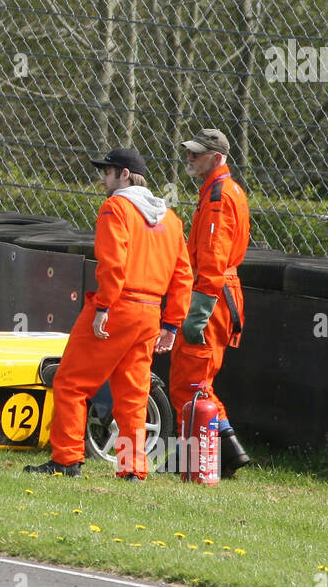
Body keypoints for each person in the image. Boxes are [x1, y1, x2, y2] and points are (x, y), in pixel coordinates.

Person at [26, 148, 192, 480]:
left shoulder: (116, 208)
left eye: (108, 172)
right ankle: (133, 468)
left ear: (125, 175)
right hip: (150, 315)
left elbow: (113, 263)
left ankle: (66, 460)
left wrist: (103, 307)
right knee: (133, 395)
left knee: (71, 382)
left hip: (117, 306)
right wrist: (171, 323)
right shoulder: (171, 220)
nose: (102, 179)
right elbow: (183, 275)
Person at [169, 128, 252, 475]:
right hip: (218, 291)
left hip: (213, 295)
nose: (189, 158)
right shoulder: (220, 190)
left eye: (196, 154)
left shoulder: (219, 195)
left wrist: (198, 312)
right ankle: (228, 453)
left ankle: (195, 459)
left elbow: (213, 259)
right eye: (189, 152)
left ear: (217, 159)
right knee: (198, 380)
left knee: (190, 380)